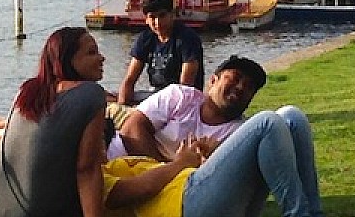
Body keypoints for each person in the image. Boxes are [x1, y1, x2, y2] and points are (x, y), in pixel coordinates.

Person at [100, 107, 355, 217]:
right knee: (266, 123)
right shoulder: (94, 180)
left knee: (292, 117)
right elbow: (128, 193)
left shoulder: (116, 163)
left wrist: (202, 162)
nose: (101, 146)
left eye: (102, 140)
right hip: (189, 211)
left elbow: (160, 180)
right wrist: (180, 163)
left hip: (200, 195)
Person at [0, 27, 112, 217]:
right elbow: (86, 168)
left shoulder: (29, 91)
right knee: (118, 191)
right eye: (91, 53)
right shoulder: (91, 94)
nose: (101, 57)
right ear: (68, 61)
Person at [112, 55, 267, 161]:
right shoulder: (180, 96)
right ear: (212, 81)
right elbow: (131, 129)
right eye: (235, 78)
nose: (240, 87)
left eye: (249, 87)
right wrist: (167, 169)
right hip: (117, 158)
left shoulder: (240, 133)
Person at [116, 0, 204, 105]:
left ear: (172, 14)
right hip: (156, 93)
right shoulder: (146, 38)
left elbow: (185, 87)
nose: (157, 23)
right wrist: (122, 108)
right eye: (152, 17)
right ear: (146, 19)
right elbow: (129, 79)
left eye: (162, 15)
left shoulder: (187, 39)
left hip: (185, 99)